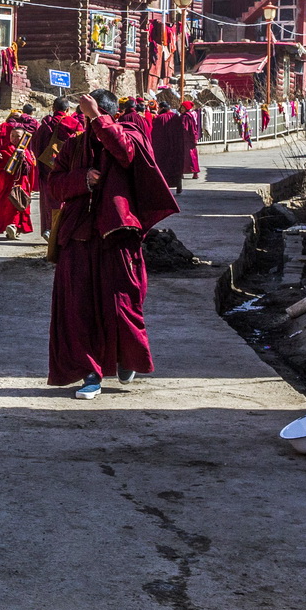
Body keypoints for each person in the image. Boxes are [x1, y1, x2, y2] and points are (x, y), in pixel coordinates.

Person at [43, 89, 179, 400]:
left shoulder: (130, 133)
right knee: (78, 310)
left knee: (121, 305)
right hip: (78, 238)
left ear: (109, 116)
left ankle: (125, 356)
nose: (87, 126)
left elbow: (125, 153)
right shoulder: (75, 146)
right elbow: (54, 185)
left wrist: (98, 118)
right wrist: (81, 180)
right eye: (85, 119)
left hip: (117, 236)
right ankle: (90, 374)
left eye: (91, 119)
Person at [29, 97, 83, 243]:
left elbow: (35, 146)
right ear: (67, 110)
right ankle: (64, 230)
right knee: (66, 198)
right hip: (68, 168)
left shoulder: (45, 124)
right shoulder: (74, 124)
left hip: (48, 167)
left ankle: (49, 228)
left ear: (53, 109)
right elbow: (81, 146)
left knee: (48, 198)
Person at [0, 113, 35, 240]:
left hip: (21, 184)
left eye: (18, 136)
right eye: (12, 136)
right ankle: (12, 226)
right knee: (7, 205)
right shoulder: (4, 149)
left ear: (23, 138)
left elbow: (30, 168)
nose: (15, 138)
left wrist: (24, 161)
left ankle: (15, 227)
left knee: (19, 204)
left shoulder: (26, 152)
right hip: (6, 183)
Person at [149, 100, 192, 193]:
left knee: (163, 166)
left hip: (163, 147)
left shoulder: (159, 118)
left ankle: (164, 185)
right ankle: (178, 184)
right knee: (176, 165)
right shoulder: (176, 117)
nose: (158, 110)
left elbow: (156, 134)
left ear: (163, 108)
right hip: (176, 146)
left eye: (159, 108)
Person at [180, 99, 203, 180]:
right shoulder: (191, 116)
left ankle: (183, 172)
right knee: (192, 156)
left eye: (183, 108)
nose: (181, 109)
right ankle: (195, 172)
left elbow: (184, 128)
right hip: (190, 139)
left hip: (185, 140)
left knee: (184, 156)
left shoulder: (185, 117)